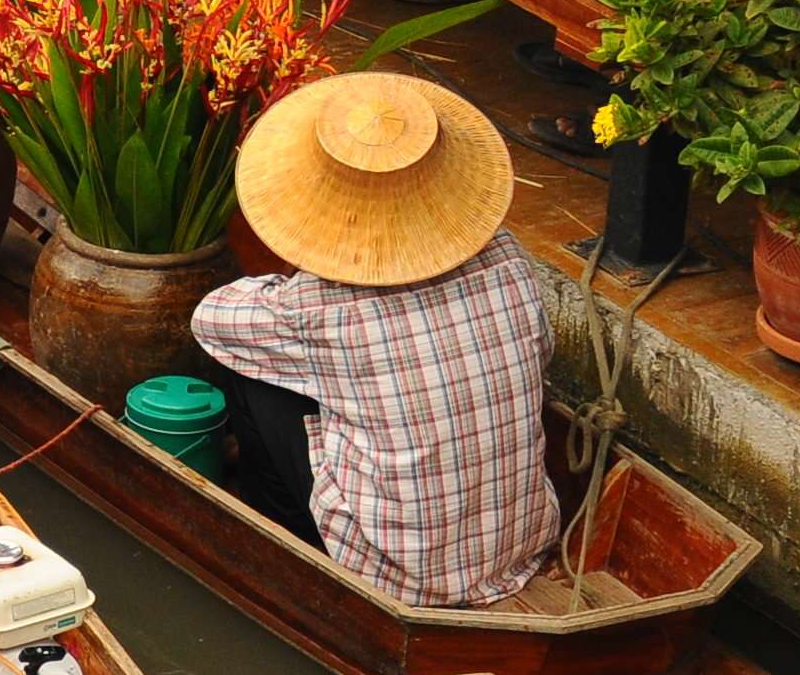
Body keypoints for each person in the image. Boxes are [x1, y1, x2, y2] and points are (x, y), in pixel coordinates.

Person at [189, 75, 560, 610]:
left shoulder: (313, 310)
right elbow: (538, 352)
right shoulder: (506, 256)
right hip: (519, 546)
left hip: (397, 571)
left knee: (255, 382)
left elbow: (212, 321)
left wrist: (294, 281)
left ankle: (288, 541)